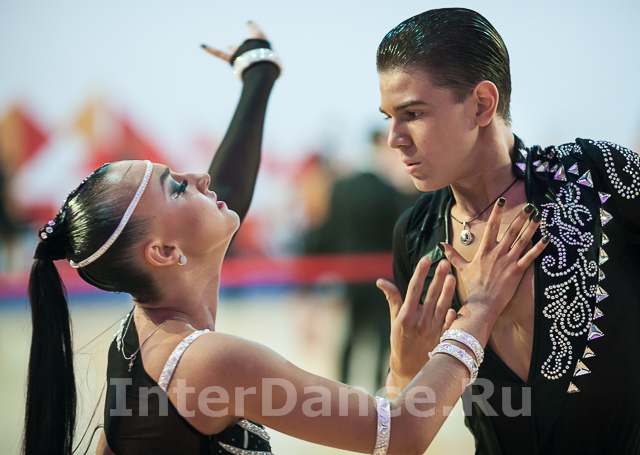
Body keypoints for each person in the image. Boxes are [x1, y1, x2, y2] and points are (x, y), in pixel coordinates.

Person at [22, 23, 547, 455]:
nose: (200, 178)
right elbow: (401, 436)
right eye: (176, 186)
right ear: (164, 252)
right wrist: (479, 309)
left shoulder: (140, 335)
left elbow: (225, 193)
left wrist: (258, 73)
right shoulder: (208, 362)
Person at [377, 8, 640, 455]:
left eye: (413, 113)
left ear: (483, 103)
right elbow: (405, 430)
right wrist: (403, 370)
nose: (394, 138)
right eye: (389, 117)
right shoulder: (417, 235)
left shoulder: (596, 177)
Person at [304, 130, 419, 390]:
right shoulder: (390, 190)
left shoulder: (342, 189)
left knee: (351, 333)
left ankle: (341, 388)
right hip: (384, 274)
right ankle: (382, 389)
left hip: (349, 274)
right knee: (383, 335)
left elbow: (328, 231)